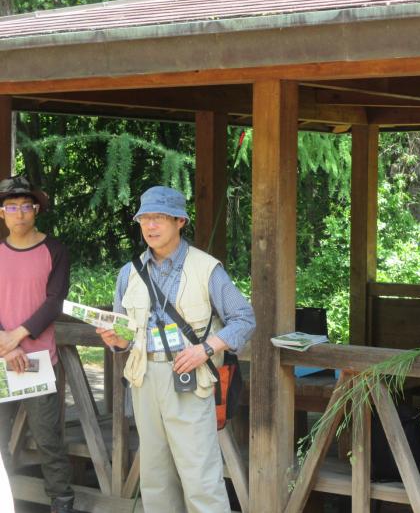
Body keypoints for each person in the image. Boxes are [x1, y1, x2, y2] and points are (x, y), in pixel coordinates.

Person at [96, 185, 255, 513]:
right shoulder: (129, 273)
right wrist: (117, 341)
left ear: (180, 221)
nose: (149, 226)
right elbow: (125, 335)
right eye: (144, 219)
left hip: (190, 379)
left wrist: (207, 349)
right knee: (154, 478)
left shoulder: (207, 269)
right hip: (144, 381)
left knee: (200, 477)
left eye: (158, 218)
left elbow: (244, 318)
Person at [0, 176, 76, 513]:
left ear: (36, 210)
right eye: (11, 207)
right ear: (2, 213)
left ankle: (61, 502)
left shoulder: (54, 250)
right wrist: (6, 345)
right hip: (1, 356)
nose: (19, 213)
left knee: (48, 438)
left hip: (38, 360)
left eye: (25, 206)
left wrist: (16, 336)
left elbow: (54, 301)